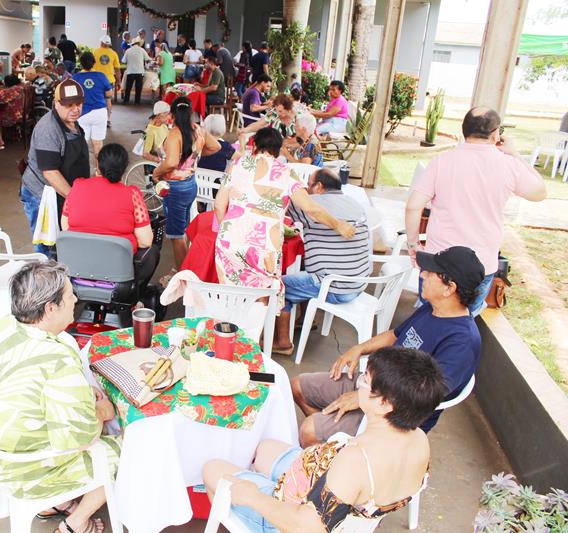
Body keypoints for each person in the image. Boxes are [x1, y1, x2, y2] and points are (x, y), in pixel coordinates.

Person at [203, 346, 446, 532]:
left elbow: (308, 526)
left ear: (383, 403)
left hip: (291, 518)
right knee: (265, 449)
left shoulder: (356, 461)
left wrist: (252, 496)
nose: (358, 384)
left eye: (364, 381)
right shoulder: (419, 439)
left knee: (212, 469)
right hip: (327, 488)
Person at [0, 260, 120, 533]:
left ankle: (55, 504)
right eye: (69, 294)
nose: (75, 298)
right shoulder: (58, 360)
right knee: (128, 449)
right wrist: (103, 411)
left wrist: (82, 399)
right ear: (50, 308)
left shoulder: (6, 326)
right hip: (23, 470)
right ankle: (76, 523)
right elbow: (81, 438)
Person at [292, 245, 485, 446]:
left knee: (309, 431)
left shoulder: (463, 341)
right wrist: (359, 348)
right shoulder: (431, 309)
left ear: (449, 288)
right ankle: (339, 446)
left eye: (431, 273)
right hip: (375, 382)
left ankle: (342, 451)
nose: (423, 274)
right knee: (298, 386)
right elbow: (395, 335)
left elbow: (426, 394)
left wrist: (366, 397)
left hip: (397, 413)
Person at [405, 107, 547, 315]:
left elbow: (413, 206)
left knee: (426, 321)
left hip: (439, 260)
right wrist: (515, 154)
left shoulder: (442, 162)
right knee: (462, 325)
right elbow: (540, 192)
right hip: (480, 265)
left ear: (464, 131)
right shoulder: (509, 165)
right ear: (496, 134)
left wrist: (413, 243)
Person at [214, 128, 354, 301]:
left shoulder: (237, 165)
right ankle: (257, 328)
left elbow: (219, 205)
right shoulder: (286, 173)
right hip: (263, 247)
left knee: (232, 298)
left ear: (255, 145)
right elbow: (311, 208)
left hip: (229, 241)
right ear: (278, 149)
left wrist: (226, 229)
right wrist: (338, 224)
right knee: (261, 299)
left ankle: (232, 327)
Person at [273, 168, 369, 354]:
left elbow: (282, 206)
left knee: (277, 286)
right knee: (305, 270)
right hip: (358, 282)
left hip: (334, 287)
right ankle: (302, 320)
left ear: (319, 186)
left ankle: (282, 342)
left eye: (308, 185)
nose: (306, 190)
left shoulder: (312, 205)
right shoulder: (355, 204)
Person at [62, 143, 160, 294]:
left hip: (79, 269)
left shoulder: (78, 186)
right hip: (118, 274)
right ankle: (136, 296)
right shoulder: (132, 194)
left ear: (98, 166)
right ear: (124, 169)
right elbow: (145, 241)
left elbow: (66, 227)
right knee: (152, 251)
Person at [20, 79, 90, 253]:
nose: (75, 109)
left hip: (62, 191)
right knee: (47, 245)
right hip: (42, 195)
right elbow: (50, 172)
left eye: (79, 104)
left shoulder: (71, 122)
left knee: (62, 241)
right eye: (69, 105)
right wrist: (76, 200)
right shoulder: (48, 129)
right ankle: (46, 278)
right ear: (56, 104)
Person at [152, 96, 221, 270]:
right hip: (190, 185)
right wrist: (194, 158)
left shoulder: (175, 133)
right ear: (191, 113)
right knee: (183, 229)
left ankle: (183, 278)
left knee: (176, 235)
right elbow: (215, 147)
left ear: (172, 115)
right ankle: (185, 270)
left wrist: (156, 172)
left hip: (175, 188)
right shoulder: (198, 129)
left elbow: (171, 162)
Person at [73, 52, 113, 167]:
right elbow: (109, 93)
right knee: (98, 144)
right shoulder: (101, 75)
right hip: (99, 113)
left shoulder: (75, 77)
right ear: (94, 62)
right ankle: (99, 172)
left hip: (82, 114)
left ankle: (82, 173)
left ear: (80, 64)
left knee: (82, 144)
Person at [93, 36, 120, 127]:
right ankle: (108, 119)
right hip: (109, 80)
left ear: (101, 43)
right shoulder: (113, 53)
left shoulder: (95, 52)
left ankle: (97, 119)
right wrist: (119, 81)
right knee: (108, 99)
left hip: (96, 80)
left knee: (96, 99)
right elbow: (117, 69)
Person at [121, 38, 149, 105]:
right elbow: (147, 59)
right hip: (139, 72)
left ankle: (126, 100)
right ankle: (137, 101)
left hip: (130, 71)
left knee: (128, 87)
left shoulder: (128, 50)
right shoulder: (142, 50)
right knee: (138, 88)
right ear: (138, 43)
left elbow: (123, 61)